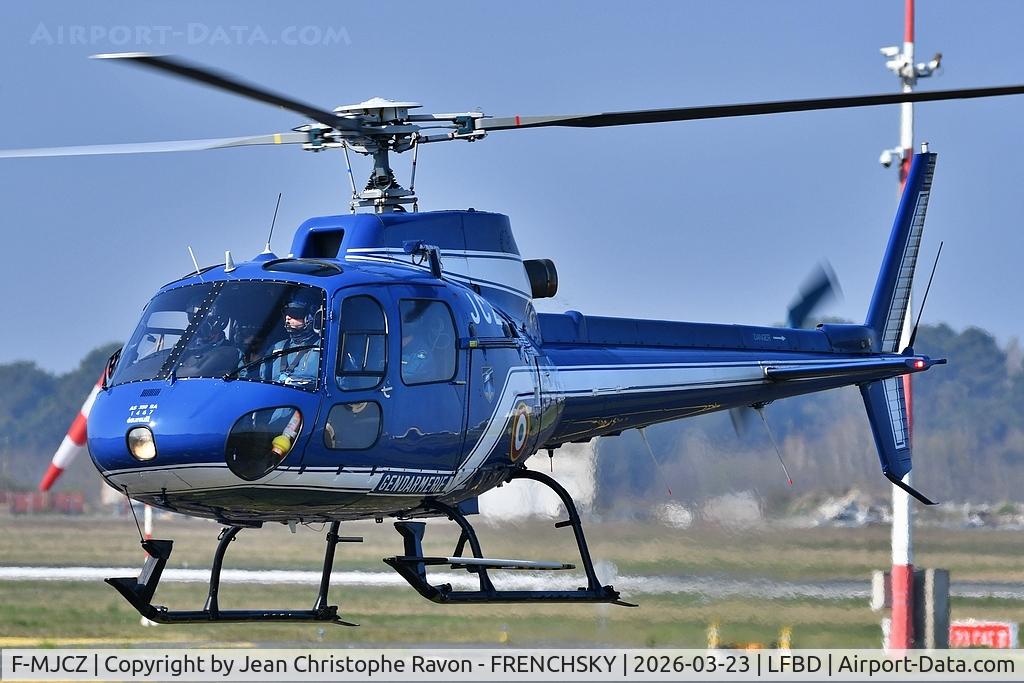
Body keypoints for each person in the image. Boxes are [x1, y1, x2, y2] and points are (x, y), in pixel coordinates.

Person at [269, 296, 321, 386]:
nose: (288, 317)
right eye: (286, 313)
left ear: (310, 317)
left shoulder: (322, 346)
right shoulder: (277, 347)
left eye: (294, 312)